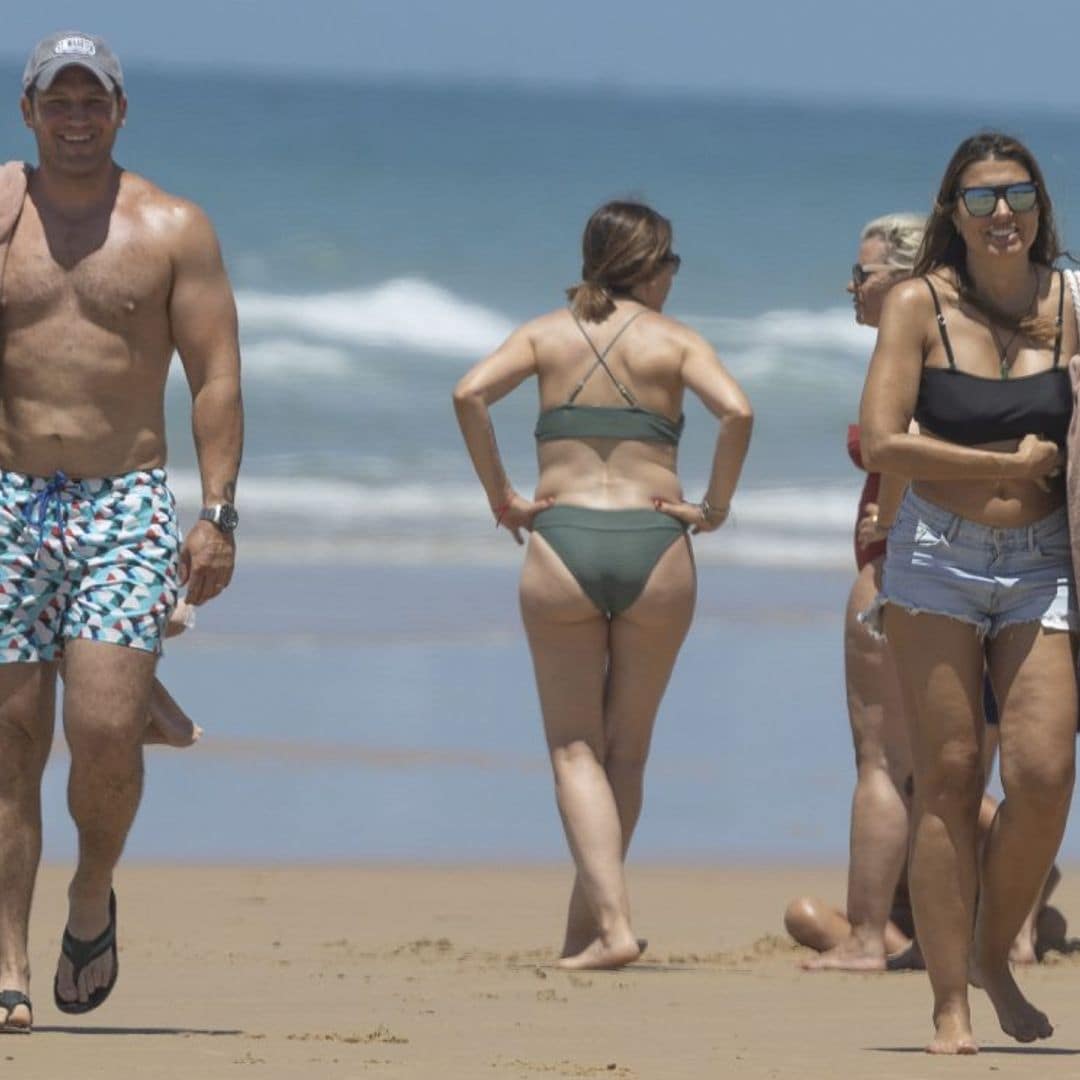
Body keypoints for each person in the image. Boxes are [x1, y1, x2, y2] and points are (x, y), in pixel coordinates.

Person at [0, 32, 243, 1033]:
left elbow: (216, 374)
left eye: (91, 99)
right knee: (12, 740)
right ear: (29, 112)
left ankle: (92, 889)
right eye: (57, 100)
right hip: (8, 498)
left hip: (125, 503)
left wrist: (218, 512)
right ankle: (7, 961)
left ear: (120, 110)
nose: (75, 116)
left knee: (102, 733)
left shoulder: (173, 226)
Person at [453, 200, 752, 970]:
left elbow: (468, 394)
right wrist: (713, 509)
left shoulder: (545, 334)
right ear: (650, 266)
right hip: (658, 547)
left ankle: (607, 929)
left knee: (575, 748)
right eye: (671, 263)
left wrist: (504, 498)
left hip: (562, 545)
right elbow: (738, 411)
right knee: (626, 754)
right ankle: (592, 931)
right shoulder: (676, 341)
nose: (674, 277)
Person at [860, 132, 1077, 1053]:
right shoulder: (918, 304)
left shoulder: (1073, 303)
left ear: (1041, 206)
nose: (1002, 215)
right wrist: (1001, 458)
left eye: (1018, 196)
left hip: (1045, 562)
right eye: (982, 199)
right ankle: (951, 1000)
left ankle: (995, 953)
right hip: (937, 557)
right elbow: (883, 442)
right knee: (947, 777)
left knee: (1042, 775)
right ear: (952, 210)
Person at [785, 214, 924, 972]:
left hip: (896, 562)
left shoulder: (909, 348)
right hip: (957, 565)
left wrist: (895, 513)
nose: (851, 285)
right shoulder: (969, 339)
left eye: (864, 272)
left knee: (880, 759)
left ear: (903, 278)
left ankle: (869, 937)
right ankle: (1013, 915)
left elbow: (893, 441)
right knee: (940, 761)